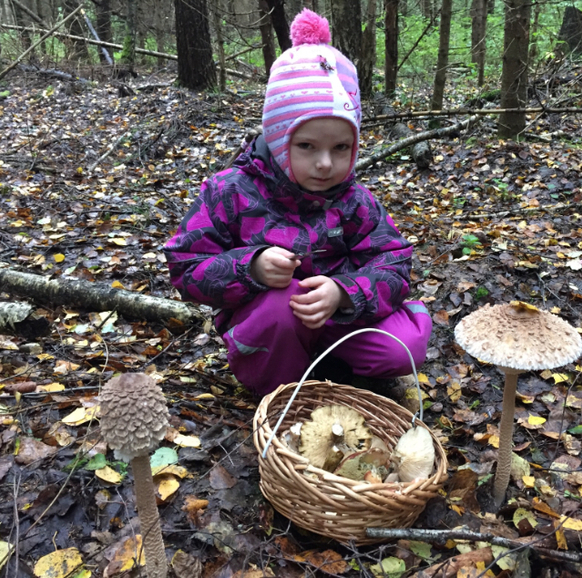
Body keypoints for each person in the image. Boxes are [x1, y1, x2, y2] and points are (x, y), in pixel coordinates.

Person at [163, 8, 431, 397]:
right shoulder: (230, 191)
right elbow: (186, 266)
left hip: (338, 320)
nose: (325, 164)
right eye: (306, 146)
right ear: (277, 139)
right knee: (280, 307)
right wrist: (250, 267)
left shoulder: (354, 200)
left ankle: (328, 363)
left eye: (341, 148)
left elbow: (394, 262)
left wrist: (345, 292)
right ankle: (282, 392)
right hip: (268, 322)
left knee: (404, 344)